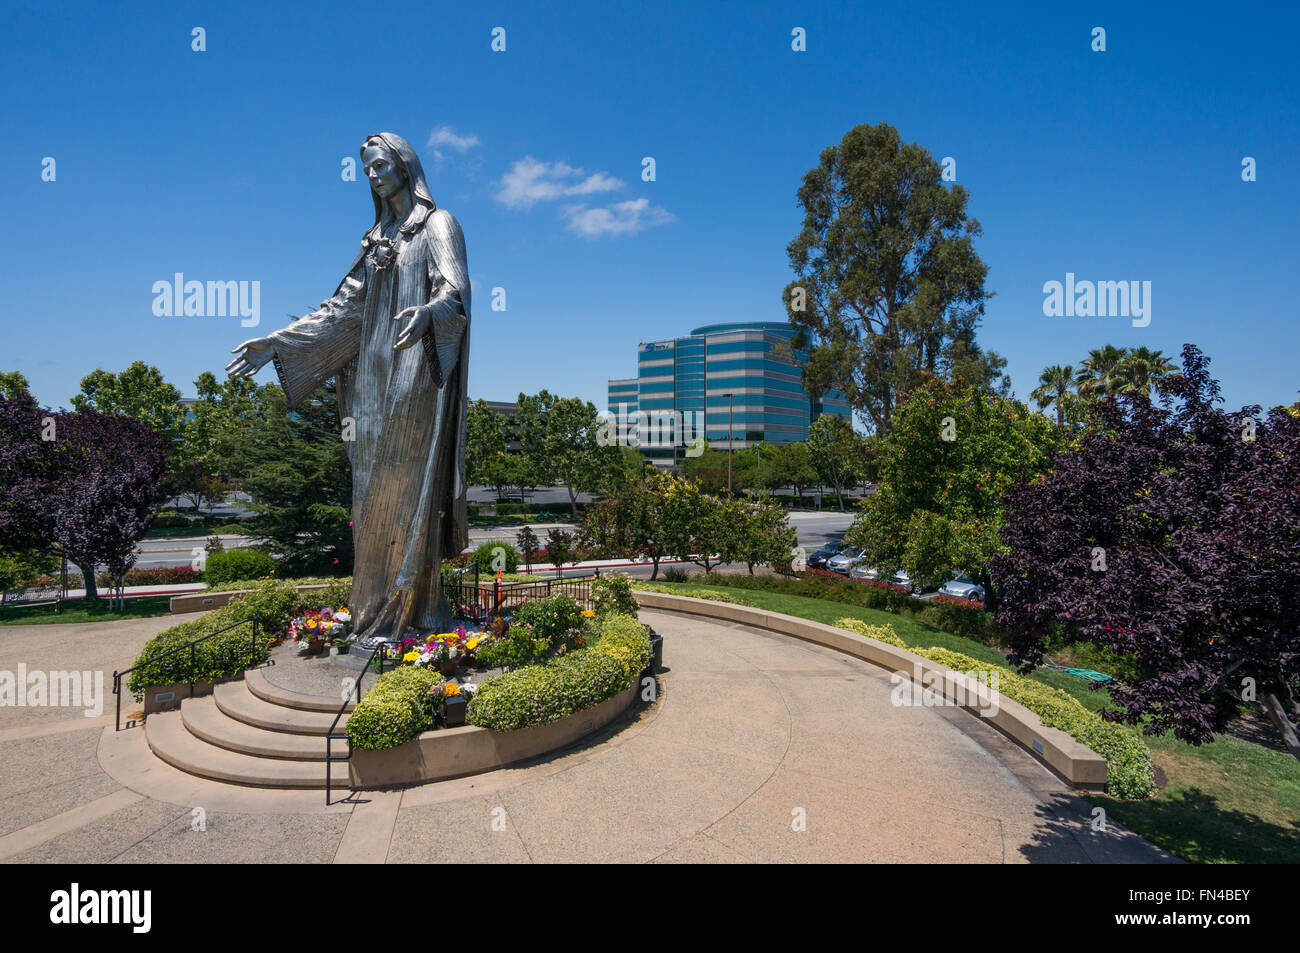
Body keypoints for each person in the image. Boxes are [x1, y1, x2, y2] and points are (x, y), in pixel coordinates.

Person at [227, 132, 471, 640]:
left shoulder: (436, 225)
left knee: (407, 492)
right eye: (367, 171)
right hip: (372, 382)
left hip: (417, 375)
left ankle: (419, 610)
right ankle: (375, 610)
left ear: (406, 166)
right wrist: (278, 341)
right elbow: (342, 310)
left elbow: (457, 290)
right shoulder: (376, 239)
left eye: (381, 165)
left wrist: (429, 313)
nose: (374, 176)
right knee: (369, 499)